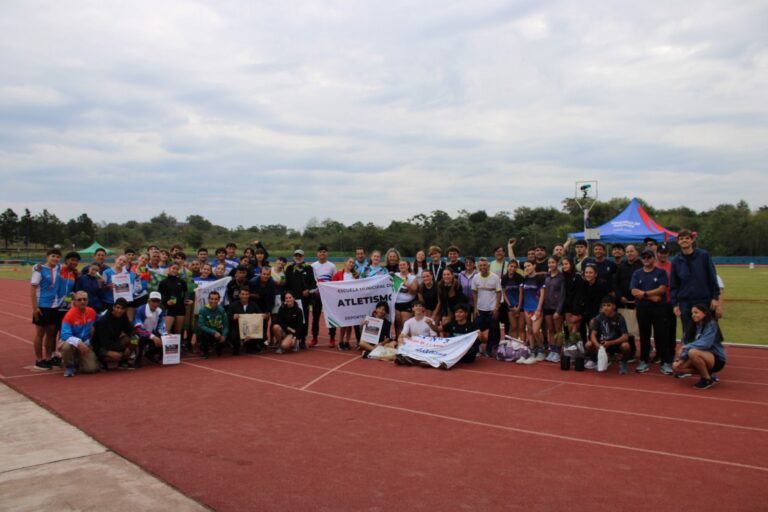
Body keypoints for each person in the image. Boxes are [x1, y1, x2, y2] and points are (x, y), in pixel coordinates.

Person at [670, 229, 720, 334]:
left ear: (692, 240)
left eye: (687, 238)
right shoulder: (675, 261)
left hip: (703, 300)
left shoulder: (704, 256)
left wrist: (715, 297)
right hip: (685, 302)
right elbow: (674, 285)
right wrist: (675, 305)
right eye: (681, 239)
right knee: (688, 332)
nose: (684, 241)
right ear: (678, 242)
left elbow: (712, 277)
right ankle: (689, 350)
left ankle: (707, 351)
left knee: (707, 331)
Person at [631, 249, 671, 374]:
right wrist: (650, 297)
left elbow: (662, 289)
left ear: (654, 258)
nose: (646, 260)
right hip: (643, 309)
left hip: (659, 308)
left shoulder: (660, 272)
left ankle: (665, 362)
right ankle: (644, 360)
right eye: (644, 258)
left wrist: (645, 293)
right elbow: (634, 291)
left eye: (649, 257)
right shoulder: (637, 273)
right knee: (644, 336)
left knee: (661, 335)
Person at [672, 304, 726, 389]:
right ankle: (707, 373)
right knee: (677, 367)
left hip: (716, 358)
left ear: (704, 313)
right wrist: (680, 360)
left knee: (693, 352)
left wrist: (685, 347)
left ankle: (707, 379)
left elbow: (705, 343)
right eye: (692, 313)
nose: (693, 315)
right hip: (701, 355)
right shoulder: (692, 326)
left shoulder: (711, 324)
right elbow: (686, 343)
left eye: (696, 312)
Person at [30, 248, 63, 370]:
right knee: (40, 334)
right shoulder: (39, 269)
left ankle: (48, 358)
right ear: (47, 256)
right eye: (53, 256)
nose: (55, 258)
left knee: (51, 334)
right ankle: (39, 360)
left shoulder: (59, 268)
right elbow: (33, 289)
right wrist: (35, 308)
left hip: (54, 306)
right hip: (42, 306)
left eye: (57, 257)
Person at [585, 296, 632, 374]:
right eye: (604, 305)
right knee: (588, 344)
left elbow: (625, 337)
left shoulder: (619, 318)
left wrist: (610, 343)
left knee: (626, 346)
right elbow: (593, 334)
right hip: (602, 344)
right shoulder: (598, 317)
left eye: (608, 305)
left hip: (615, 344)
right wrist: (597, 344)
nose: (606, 308)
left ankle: (623, 362)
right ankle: (595, 359)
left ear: (614, 306)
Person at [58, 291, 98, 377]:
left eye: (85, 299)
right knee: (66, 347)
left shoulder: (92, 312)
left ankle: (77, 360)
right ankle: (69, 365)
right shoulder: (69, 315)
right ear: (74, 302)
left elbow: (98, 322)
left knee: (91, 369)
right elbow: (64, 335)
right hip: (71, 343)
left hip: (85, 343)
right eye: (79, 300)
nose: (82, 301)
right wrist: (79, 342)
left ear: (88, 301)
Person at [92, 298, 136, 370]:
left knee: (135, 339)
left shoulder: (123, 316)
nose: (119, 310)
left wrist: (130, 347)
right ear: (113, 307)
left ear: (125, 310)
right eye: (118, 308)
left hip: (115, 341)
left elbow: (130, 329)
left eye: (122, 308)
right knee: (117, 356)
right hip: (101, 346)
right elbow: (105, 343)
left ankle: (123, 362)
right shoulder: (104, 320)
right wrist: (123, 349)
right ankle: (102, 361)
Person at [471, 257, 502, 357]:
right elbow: (474, 293)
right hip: (480, 309)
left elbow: (499, 293)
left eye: (484, 265)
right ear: (478, 267)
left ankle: (489, 349)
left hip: (492, 309)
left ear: (488, 266)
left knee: (493, 330)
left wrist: (496, 308)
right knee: (477, 330)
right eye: (480, 265)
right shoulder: (475, 277)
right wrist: (475, 308)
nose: (483, 267)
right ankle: (476, 348)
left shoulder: (495, 277)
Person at [613, 244, 642, 344]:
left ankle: (645, 351)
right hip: (624, 302)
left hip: (640, 302)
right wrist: (620, 296)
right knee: (626, 327)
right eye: (627, 252)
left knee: (640, 327)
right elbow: (615, 283)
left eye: (631, 251)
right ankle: (630, 351)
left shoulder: (641, 265)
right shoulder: (622, 266)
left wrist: (640, 296)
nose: (629, 253)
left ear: (637, 252)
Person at [519, 261, 546, 364]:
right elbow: (522, 293)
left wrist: (539, 309)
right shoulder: (524, 279)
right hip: (526, 308)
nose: (527, 268)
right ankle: (532, 350)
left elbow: (542, 295)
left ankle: (541, 349)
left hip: (536, 309)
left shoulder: (539, 278)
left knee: (535, 331)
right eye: (525, 266)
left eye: (529, 265)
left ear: (534, 266)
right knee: (529, 331)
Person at [310, 245, 337, 347]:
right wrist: (315, 290)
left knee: (331, 317)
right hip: (316, 296)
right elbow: (312, 282)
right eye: (320, 251)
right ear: (317, 254)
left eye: (324, 251)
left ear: (327, 253)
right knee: (315, 317)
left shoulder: (332, 266)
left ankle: (332, 338)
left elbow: (335, 280)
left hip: (328, 296)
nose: (322, 253)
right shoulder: (312, 266)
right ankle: (314, 338)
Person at [285, 249, 317, 333]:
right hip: (291, 299)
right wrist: (288, 296)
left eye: (300, 256)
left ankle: (302, 339)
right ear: (293, 257)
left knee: (304, 319)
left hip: (304, 300)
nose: (298, 257)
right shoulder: (289, 268)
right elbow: (286, 284)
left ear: (303, 257)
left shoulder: (308, 268)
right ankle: (292, 337)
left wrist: (308, 290)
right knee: (290, 319)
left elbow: (313, 284)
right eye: (296, 255)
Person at [133, 292, 168, 366]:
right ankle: (137, 357)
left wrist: (166, 335)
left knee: (165, 339)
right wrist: (152, 337)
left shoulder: (160, 311)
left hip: (152, 333)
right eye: (153, 301)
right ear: (148, 301)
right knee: (136, 339)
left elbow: (161, 325)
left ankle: (150, 354)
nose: (155, 303)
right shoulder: (140, 310)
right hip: (140, 334)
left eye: (157, 301)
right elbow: (138, 328)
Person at [331, 258, 359, 350]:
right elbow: (331, 286)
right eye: (350, 262)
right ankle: (340, 341)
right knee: (343, 323)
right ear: (345, 263)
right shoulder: (338, 274)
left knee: (350, 323)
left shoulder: (355, 275)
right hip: (342, 302)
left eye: (353, 262)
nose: (351, 264)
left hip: (352, 302)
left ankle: (347, 342)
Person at [228, 286, 263, 355]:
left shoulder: (254, 304)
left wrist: (263, 316)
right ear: (239, 295)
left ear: (249, 295)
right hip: (237, 328)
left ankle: (251, 346)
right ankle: (236, 346)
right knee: (233, 334)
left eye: (246, 294)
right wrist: (233, 317)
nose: (244, 296)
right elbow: (227, 318)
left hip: (251, 329)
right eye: (243, 294)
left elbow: (260, 316)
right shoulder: (233, 305)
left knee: (262, 332)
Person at [543, 257, 565, 363]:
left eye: (553, 262)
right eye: (549, 262)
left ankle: (557, 351)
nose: (551, 264)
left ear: (557, 264)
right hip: (547, 307)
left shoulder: (561, 277)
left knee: (558, 330)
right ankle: (552, 350)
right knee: (550, 330)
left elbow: (562, 295)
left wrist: (558, 310)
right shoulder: (546, 276)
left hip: (557, 308)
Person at [158, 262, 190, 335]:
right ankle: (165, 346)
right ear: (169, 269)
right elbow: (160, 296)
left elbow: (186, 292)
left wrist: (186, 300)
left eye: (177, 269)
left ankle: (178, 346)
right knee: (166, 331)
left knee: (178, 330)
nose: (175, 270)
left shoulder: (182, 282)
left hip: (180, 308)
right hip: (169, 308)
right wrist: (166, 302)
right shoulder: (163, 282)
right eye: (173, 268)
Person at [196, 291, 229, 359]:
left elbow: (226, 326)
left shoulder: (221, 310)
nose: (213, 301)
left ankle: (218, 346)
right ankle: (205, 351)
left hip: (218, 333)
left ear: (219, 300)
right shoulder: (203, 310)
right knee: (203, 334)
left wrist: (224, 336)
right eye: (211, 299)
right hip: (208, 333)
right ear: (208, 299)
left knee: (229, 334)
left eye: (216, 299)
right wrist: (213, 332)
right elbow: (201, 325)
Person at [393, 260, 417, 338]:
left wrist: (407, 284)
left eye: (404, 264)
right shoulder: (395, 275)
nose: (402, 266)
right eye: (400, 265)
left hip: (407, 303)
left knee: (406, 325)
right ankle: (399, 343)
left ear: (408, 266)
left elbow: (414, 291)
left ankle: (408, 344)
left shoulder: (412, 277)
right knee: (398, 325)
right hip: (396, 303)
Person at [562, 257, 586, 335]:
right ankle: (571, 345)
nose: (564, 266)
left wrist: (577, 311)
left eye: (566, 264)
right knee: (569, 329)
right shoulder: (564, 276)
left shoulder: (577, 276)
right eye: (563, 264)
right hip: (567, 307)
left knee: (575, 330)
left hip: (576, 307)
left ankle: (576, 346)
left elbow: (580, 294)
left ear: (571, 264)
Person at [501, 259, 524, 339]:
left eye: (515, 267)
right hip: (510, 305)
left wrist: (518, 307)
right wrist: (510, 305)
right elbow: (504, 293)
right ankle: (514, 345)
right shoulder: (504, 278)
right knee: (513, 327)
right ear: (507, 267)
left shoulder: (519, 277)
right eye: (511, 266)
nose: (513, 268)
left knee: (521, 327)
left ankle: (522, 346)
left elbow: (521, 293)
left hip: (520, 305)